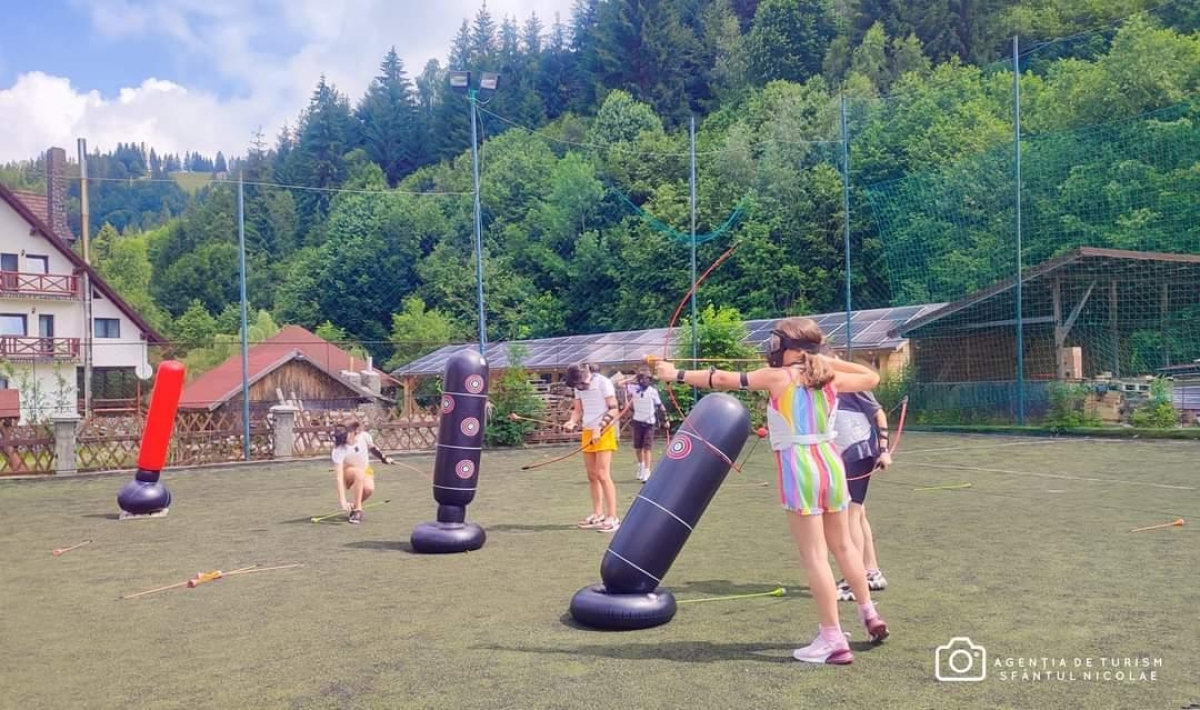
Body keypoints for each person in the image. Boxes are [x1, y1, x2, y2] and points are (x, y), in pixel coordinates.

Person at [654, 317, 888, 665]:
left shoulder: (778, 377)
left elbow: (722, 379)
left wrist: (675, 374)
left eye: (778, 342)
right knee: (843, 546)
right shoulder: (828, 376)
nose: (773, 348)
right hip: (831, 464)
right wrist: (822, 358)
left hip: (801, 468)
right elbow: (872, 377)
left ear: (791, 348)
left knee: (815, 556)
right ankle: (869, 613)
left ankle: (833, 639)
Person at [831, 389, 893, 601]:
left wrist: (884, 450)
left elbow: (879, 414)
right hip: (842, 452)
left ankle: (853, 579)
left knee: (850, 513)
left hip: (858, 451)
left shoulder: (852, 382)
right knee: (858, 513)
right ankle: (870, 571)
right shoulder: (823, 383)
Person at [563, 362, 622, 532]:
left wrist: (600, 427)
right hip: (588, 430)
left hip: (604, 431)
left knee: (603, 474)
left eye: (580, 382)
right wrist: (572, 421)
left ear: (587, 372)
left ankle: (613, 517)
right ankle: (598, 514)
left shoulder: (603, 382)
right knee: (592, 475)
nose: (579, 386)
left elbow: (614, 409)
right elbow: (578, 410)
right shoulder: (578, 386)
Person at [331, 419, 392, 524]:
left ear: (353, 431)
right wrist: (343, 500)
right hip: (348, 473)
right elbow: (339, 477)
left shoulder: (364, 437)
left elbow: (373, 449)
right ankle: (358, 510)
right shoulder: (339, 450)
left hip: (365, 470)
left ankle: (354, 506)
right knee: (358, 472)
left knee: (369, 489)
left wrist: (384, 459)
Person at [626, 367, 669, 482]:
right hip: (637, 421)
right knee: (638, 448)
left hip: (649, 423)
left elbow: (660, 405)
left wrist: (666, 419)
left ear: (649, 380)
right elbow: (619, 383)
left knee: (647, 448)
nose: (644, 381)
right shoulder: (634, 389)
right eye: (641, 379)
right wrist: (634, 378)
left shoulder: (652, 391)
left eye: (646, 379)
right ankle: (641, 466)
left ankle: (647, 471)